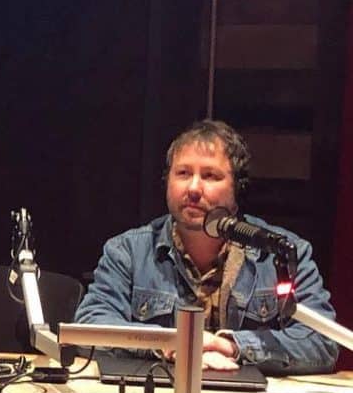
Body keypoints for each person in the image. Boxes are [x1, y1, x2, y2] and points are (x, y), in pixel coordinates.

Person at [74, 120, 338, 375]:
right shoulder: (128, 251)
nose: (193, 188)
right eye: (183, 173)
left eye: (210, 176)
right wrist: (171, 345)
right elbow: (90, 326)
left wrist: (229, 346)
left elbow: (322, 342)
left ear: (238, 189)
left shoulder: (283, 253)